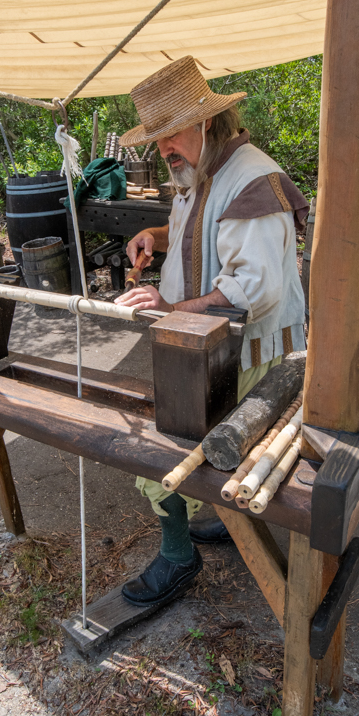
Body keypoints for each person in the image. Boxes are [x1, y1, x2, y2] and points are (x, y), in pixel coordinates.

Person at [114, 55, 308, 605]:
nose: (163, 150)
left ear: (204, 121)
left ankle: (178, 556)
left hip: (253, 354)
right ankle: (225, 520)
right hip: (211, 345)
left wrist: (171, 309)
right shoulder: (199, 169)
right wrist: (155, 235)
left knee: (165, 444)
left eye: (168, 134)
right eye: (156, 140)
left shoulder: (254, 180)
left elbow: (254, 289)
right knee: (176, 436)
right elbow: (195, 230)